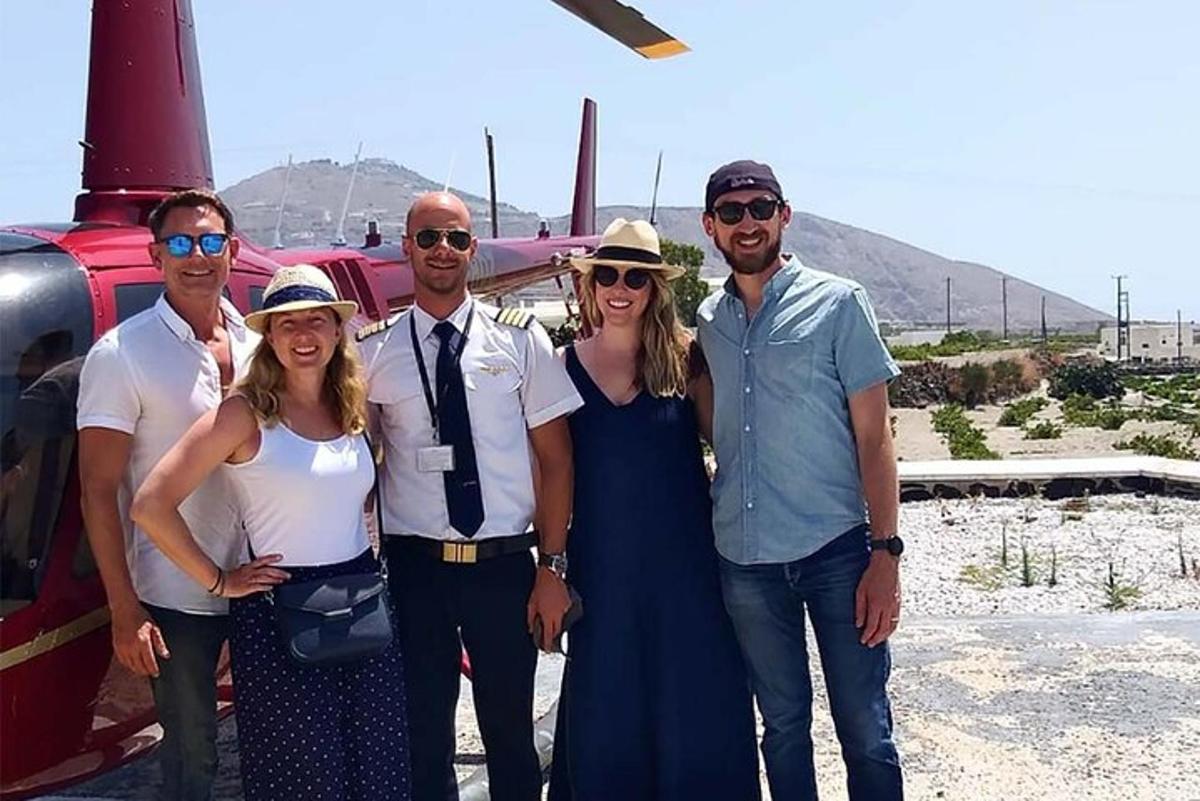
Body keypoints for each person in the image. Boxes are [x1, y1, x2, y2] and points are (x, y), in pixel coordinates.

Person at [130, 264, 410, 800]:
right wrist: (218, 581)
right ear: (269, 337)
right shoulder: (243, 414)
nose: (303, 336)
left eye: (316, 321)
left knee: (377, 767)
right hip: (281, 612)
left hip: (360, 601)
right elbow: (151, 504)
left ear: (336, 330)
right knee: (305, 778)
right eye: (287, 324)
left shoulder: (351, 407)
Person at [356, 191, 581, 801]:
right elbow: (357, 460)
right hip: (414, 570)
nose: (442, 251)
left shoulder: (519, 341)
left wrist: (551, 567)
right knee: (423, 732)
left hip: (503, 566)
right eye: (428, 238)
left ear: (472, 248)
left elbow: (557, 461)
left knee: (508, 729)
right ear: (406, 247)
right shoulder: (373, 353)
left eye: (455, 238)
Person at [696, 160, 905, 801]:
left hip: (836, 554)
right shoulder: (709, 320)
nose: (748, 223)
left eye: (761, 208)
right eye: (732, 213)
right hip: (746, 559)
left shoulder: (840, 303)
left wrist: (886, 553)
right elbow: (709, 422)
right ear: (711, 227)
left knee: (864, 727)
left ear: (784, 215)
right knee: (782, 728)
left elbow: (876, 437)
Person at [547, 219, 761, 801]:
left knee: (696, 707)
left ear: (653, 289)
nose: (621, 288)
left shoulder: (687, 360)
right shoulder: (559, 367)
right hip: (603, 573)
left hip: (687, 575)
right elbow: (550, 474)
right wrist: (549, 567)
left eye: (635, 277)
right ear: (590, 285)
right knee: (607, 709)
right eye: (609, 275)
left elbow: (733, 446)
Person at [77, 189, 257, 801]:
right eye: (180, 244)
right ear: (157, 256)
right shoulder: (121, 355)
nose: (197, 256)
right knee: (192, 756)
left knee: (272, 741)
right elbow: (98, 493)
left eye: (210, 242)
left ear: (232, 251)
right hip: (175, 596)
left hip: (266, 578)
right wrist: (125, 611)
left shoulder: (263, 346)